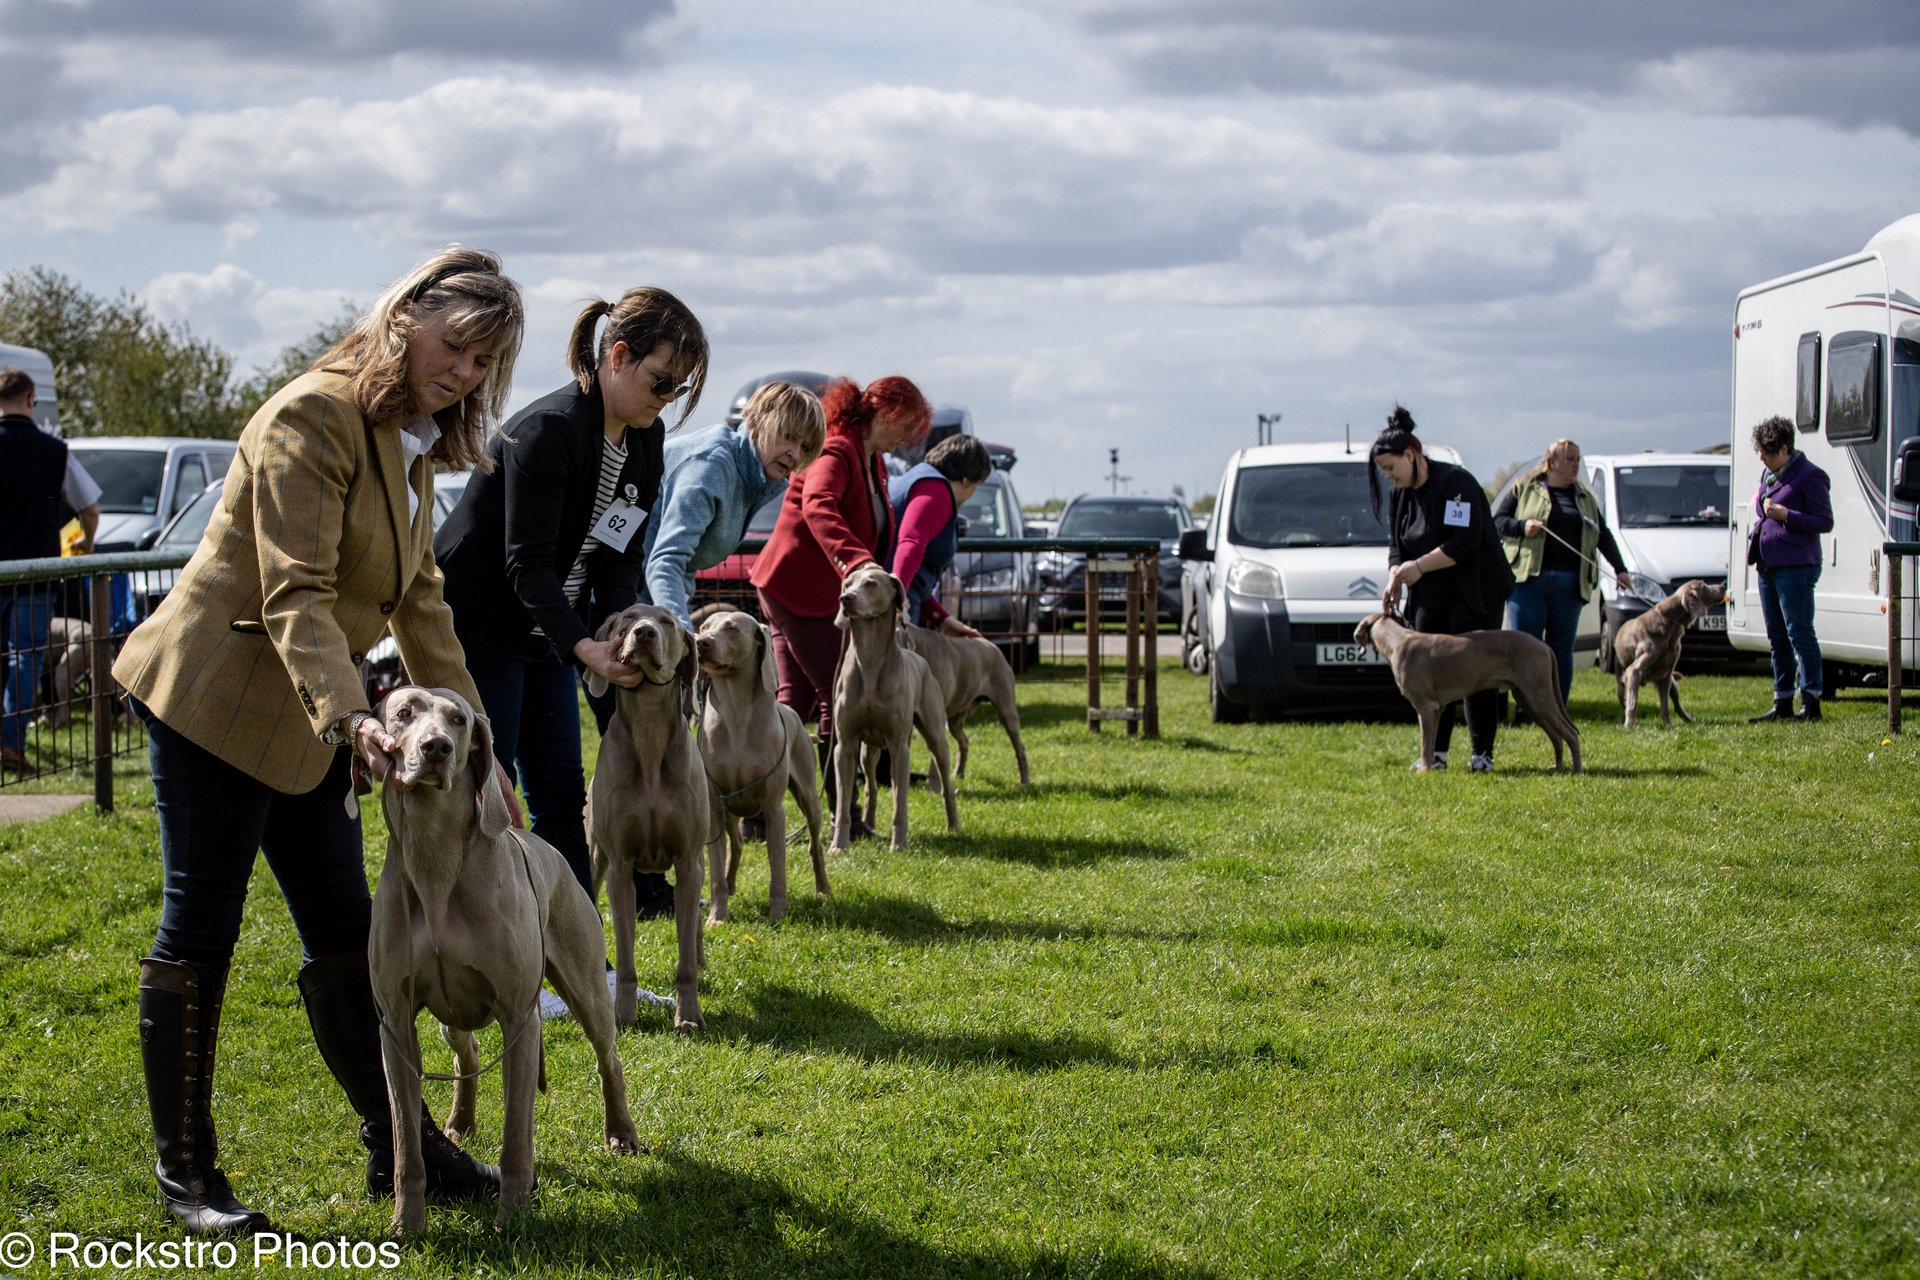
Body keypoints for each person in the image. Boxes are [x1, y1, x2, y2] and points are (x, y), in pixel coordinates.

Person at [110, 247, 523, 1235]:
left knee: (346, 932)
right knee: (200, 924)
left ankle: (402, 1147)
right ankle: (189, 1178)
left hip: (313, 716)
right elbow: (293, 586)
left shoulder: (411, 445)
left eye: (482, 363)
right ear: (403, 315)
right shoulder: (315, 412)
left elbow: (421, 605)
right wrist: (353, 715)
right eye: (454, 345)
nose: (462, 372)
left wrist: (484, 755)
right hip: (215, 699)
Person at [437, 286, 709, 925]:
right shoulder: (547, 431)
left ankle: (579, 954)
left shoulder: (644, 438)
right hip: (483, 625)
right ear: (617, 356)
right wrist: (583, 645)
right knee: (489, 792)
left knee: (560, 795)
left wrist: (610, 633)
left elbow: (619, 552)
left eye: (680, 388)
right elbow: (524, 564)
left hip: (548, 633)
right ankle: (483, 940)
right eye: (662, 381)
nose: (667, 399)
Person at [751, 375, 931, 805]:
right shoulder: (836, 449)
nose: (908, 437)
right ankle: (843, 815)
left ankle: (759, 809)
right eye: (907, 425)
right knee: (837, 692)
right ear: (887, 413)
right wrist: (856, 562)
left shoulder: (873, 459)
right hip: (799, 589)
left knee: (793, 701)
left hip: (800, 588)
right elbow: (818, 505)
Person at [1372, 405, 1514, 773]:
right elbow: (1396, 546)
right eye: (1383, 471)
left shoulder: (1457, 484)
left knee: (1477, 672)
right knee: (1433, 671)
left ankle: (1482, 755)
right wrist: (1394, 575)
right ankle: (1435, 755)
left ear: (1411, 455)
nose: (1388, 476)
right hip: (1430, 592)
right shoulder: (1399, 495)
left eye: (1390, 468)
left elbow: (1464, 542)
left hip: (1475, 589)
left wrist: (1416, 567)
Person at [640, 379, 826, 629]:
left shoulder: (752, 473)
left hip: (644, 593)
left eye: (805, 446)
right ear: (759, 423)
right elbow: (665, 561)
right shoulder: (711, 466)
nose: (795, 454)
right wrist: (682, 635)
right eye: (788, 436)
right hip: (606, 589)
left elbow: (682, 564)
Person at [1493, 438, 1631, 709]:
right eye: (1569, 459)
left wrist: (1621, 569)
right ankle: (1526, 709)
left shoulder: (1585, 499)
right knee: (1525, 649)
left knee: (1561, 650)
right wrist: (1523, 526)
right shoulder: (1524, 488)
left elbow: (1603, 536)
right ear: (1552, 461)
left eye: (1577, 459)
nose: (1575, 464)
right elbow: (1497, 522)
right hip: (1527, 583)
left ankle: (1558, 709)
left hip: (1570, 586)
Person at [0, 367, 69, 774]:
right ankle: (11, 745)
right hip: (35, 574)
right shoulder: (55, 450)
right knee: (24, 658)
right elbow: (90, 506)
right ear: (31, 400)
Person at [1745, 414, 1832, 722]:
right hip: (1768, 564)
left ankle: (1811, 701)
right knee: (1777, 636)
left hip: (1796, 565)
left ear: (1784, 448)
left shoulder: (1811, 476)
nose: (1762, 458)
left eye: (1766, 453)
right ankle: (1782, 701)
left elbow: (1824, 521)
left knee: (1799, 633)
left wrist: (1786, 514)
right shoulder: (1769, 474)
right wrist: (1764, 507)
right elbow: (1761, 504)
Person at [889, 433, 992, 636]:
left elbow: (916, 578)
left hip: (888, 603)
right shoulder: (937, 491)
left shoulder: (917, 477)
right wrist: (897, 597)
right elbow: (911, 541)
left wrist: (941, 618)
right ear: (965, 480)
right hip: (894, 615)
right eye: (975, 486)